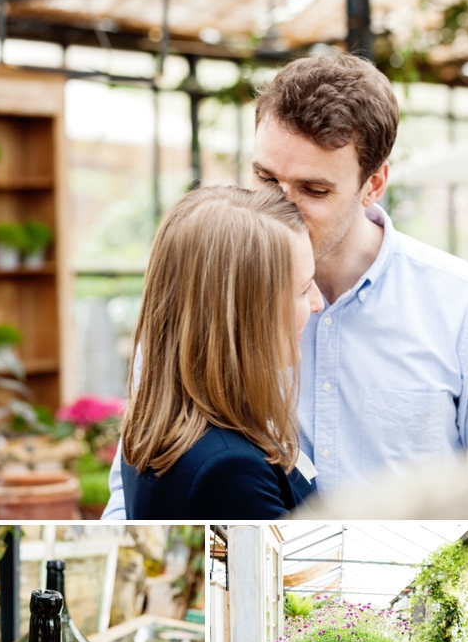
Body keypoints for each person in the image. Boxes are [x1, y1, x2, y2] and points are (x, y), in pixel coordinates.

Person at [103, 53, 468, 519]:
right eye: (265, 177)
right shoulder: (211, 298)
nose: (281, 206)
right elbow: (129, 493)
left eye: (313, 190)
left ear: (373, 183)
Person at [119, 185, 323, 518]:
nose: (317, 304)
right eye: (302, 290)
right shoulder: (228, 472)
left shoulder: (157, 431)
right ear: (247, 310)